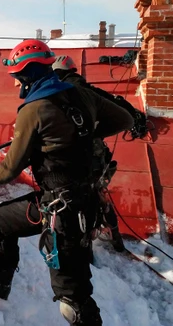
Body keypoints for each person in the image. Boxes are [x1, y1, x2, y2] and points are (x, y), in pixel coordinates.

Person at [0, 40, 133, 325]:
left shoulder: (34, 110)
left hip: (64, 214)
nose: (16, 85)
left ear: (28, 74)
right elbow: (124, 118)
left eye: (17, 78)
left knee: (72, 299)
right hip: (69, 202)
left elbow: (12, 166)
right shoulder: (81, 94)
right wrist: (84, 133)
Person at [52, 55, 149, 252]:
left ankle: (84, 244)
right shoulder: (91, 93)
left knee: (79, 200)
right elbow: (118, 106)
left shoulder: (57, 94)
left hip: (73, 160)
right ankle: (116, 241)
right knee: (98, 195)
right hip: (97, 157)